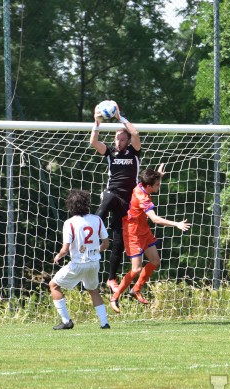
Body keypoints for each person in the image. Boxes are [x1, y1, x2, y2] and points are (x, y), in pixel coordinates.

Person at [109, 165, 191, 311]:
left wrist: (158, 175)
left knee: (155, 261)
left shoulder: (142, 185)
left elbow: (147, 180)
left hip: (143, 230)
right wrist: (176, 224)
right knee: (136, 269)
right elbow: (155, 219)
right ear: (149, 186)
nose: (159, 186)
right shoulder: (143, 198)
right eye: (157, 184)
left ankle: (136, 289)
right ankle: (115, 297)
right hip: (133, 232)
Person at [89, 100, 141, 304]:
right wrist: (96, 122)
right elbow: (94, 142)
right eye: (117, 138)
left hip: (128, 202)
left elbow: (135, 134)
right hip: (112, 195)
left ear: (127, 141)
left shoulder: (134, 152)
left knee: (119, 241)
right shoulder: (110, 152)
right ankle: (91, 229)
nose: (118, 141)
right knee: (107, 196)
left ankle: (111, 278)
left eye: (121, 138)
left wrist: (120, 118)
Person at [49, 189, 111, 330]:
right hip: (94, 263)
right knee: (93, 290)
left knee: (53, 285)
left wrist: (59, 255)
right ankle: (104, 323)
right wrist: (95, 250)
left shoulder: (69, 223)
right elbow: (106, 243)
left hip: (78, 263)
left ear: (70, 206)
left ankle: (66, 321)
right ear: (87, 203)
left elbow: (65, 249)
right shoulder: (97, 220)